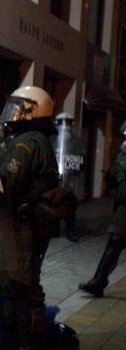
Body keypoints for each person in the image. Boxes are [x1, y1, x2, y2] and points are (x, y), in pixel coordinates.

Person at [0, 86, 59, 350]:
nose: (12, 112)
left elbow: (9, 181)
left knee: (24, 286)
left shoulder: (28, 142)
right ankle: (7, 337)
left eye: (19, 107)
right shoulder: (26, 139)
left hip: (23, 227)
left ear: (34, 110)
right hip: (13, 225)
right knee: (7, 279)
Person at [79, 121, 126, 297]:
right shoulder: (122, 155)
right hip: (123, 208)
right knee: (115, 241)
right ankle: (98, 281)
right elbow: (115, 176)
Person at [51, 112, 85, 242]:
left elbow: (80, 159)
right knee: (54, 204)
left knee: (69, 205)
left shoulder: (76, 142)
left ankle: (71, 230)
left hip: (69, 177)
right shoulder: (53, 140)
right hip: (55, 177)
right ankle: (54, 229)